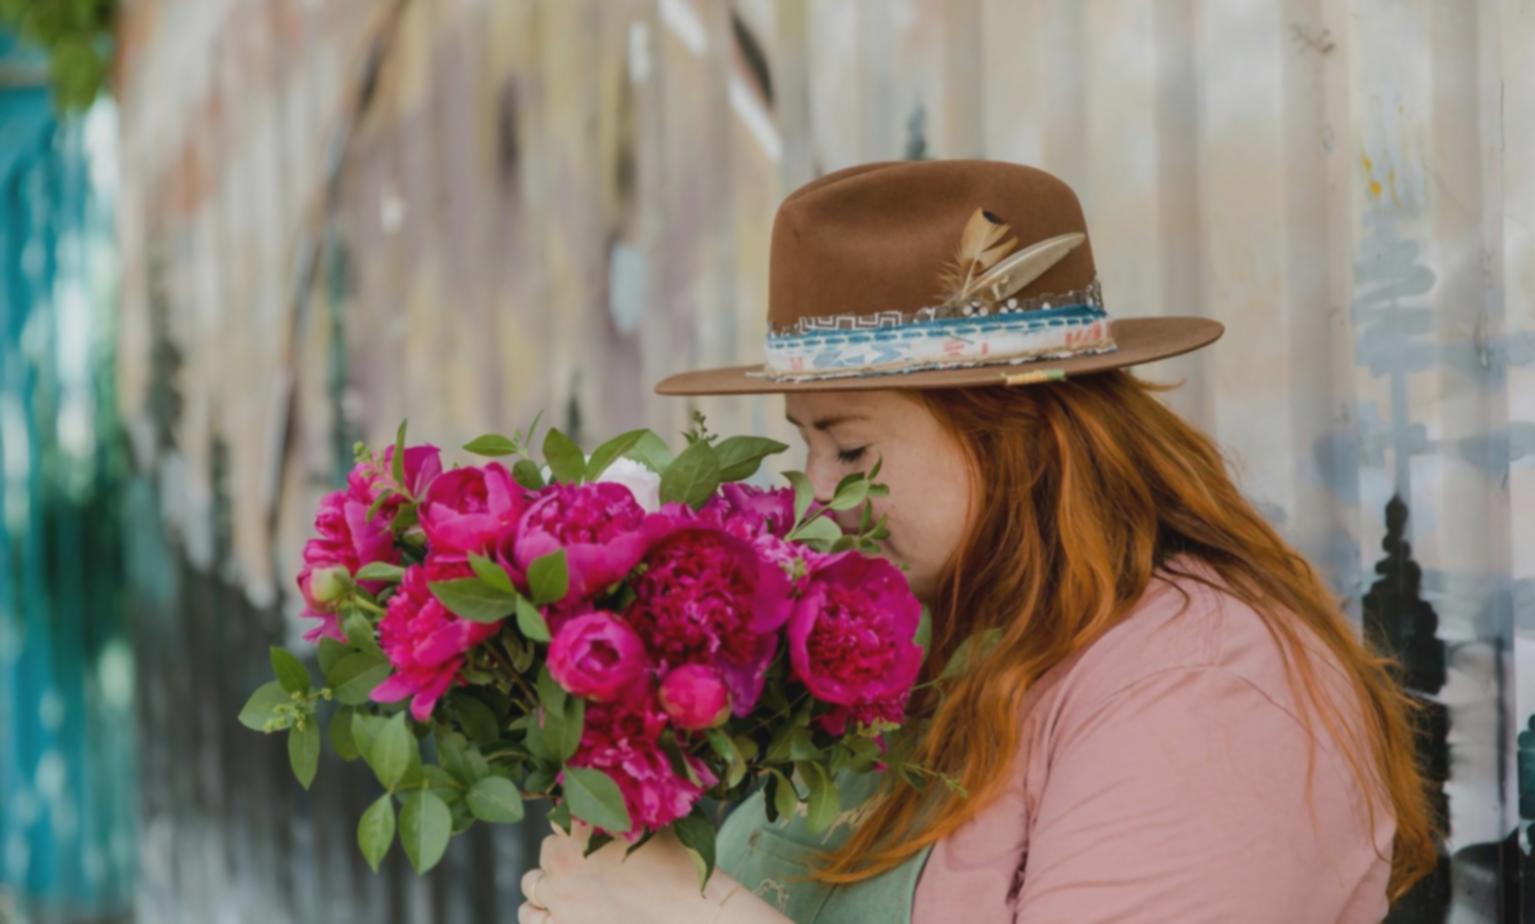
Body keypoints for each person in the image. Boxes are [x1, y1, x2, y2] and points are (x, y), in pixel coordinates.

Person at [516, 159, 1437, 923]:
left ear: (1017, 434)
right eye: (807, 446)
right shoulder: (918, 653)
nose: (815, 500)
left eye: (851, 446)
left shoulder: (1201, 691)